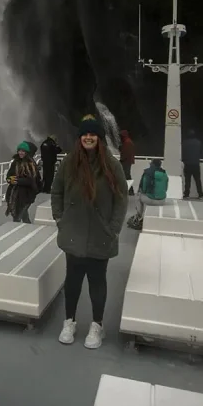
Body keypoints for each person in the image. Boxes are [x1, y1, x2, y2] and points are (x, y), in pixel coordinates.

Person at [51, 114, 128, 350]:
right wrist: (60, 219)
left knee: (97, 282)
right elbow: (57, 192)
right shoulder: (69, 162)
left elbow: (121, 198)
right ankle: (69, 322)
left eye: (92, 134)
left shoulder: (111, 164)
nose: (88, 137)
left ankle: (97, 325)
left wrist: (113, 228)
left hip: (99, 235)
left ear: (99, 137)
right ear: (80, 137)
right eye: (85, 134)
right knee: (72, 281)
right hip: (73, 232)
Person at [127, 159, 168, 230]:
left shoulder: (148, 173)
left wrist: (142, 192)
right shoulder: (164, 174)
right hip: (162, 200)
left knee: (138, 196)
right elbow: (166, 188)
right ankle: (140, 217)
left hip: (151, 200)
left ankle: (139, 217)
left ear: (152, 164)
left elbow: (144, 187)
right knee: (142, 195)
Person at [5, 141, 40, 223]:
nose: (21, 153)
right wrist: (9, 179)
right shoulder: (15, 162)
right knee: (21, 215)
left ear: (27, 152)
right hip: (15, 194)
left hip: (27, 194)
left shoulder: (30, 164)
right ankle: (26, 227)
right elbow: (8, 176)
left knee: (19, 215)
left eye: (23, 151)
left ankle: (19, 229)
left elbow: (31, 180)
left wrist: (17, 180)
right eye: (19, 150)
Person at [182, 129, 203, 198]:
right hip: (196, 164)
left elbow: (182, 152)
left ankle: (186, 194)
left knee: (187, 180)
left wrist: (184, 159)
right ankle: (200, 194)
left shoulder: (184, 143)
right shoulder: (198, 142)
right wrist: (198, 157)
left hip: (187, 164)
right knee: (198, 180)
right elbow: (202, 151)